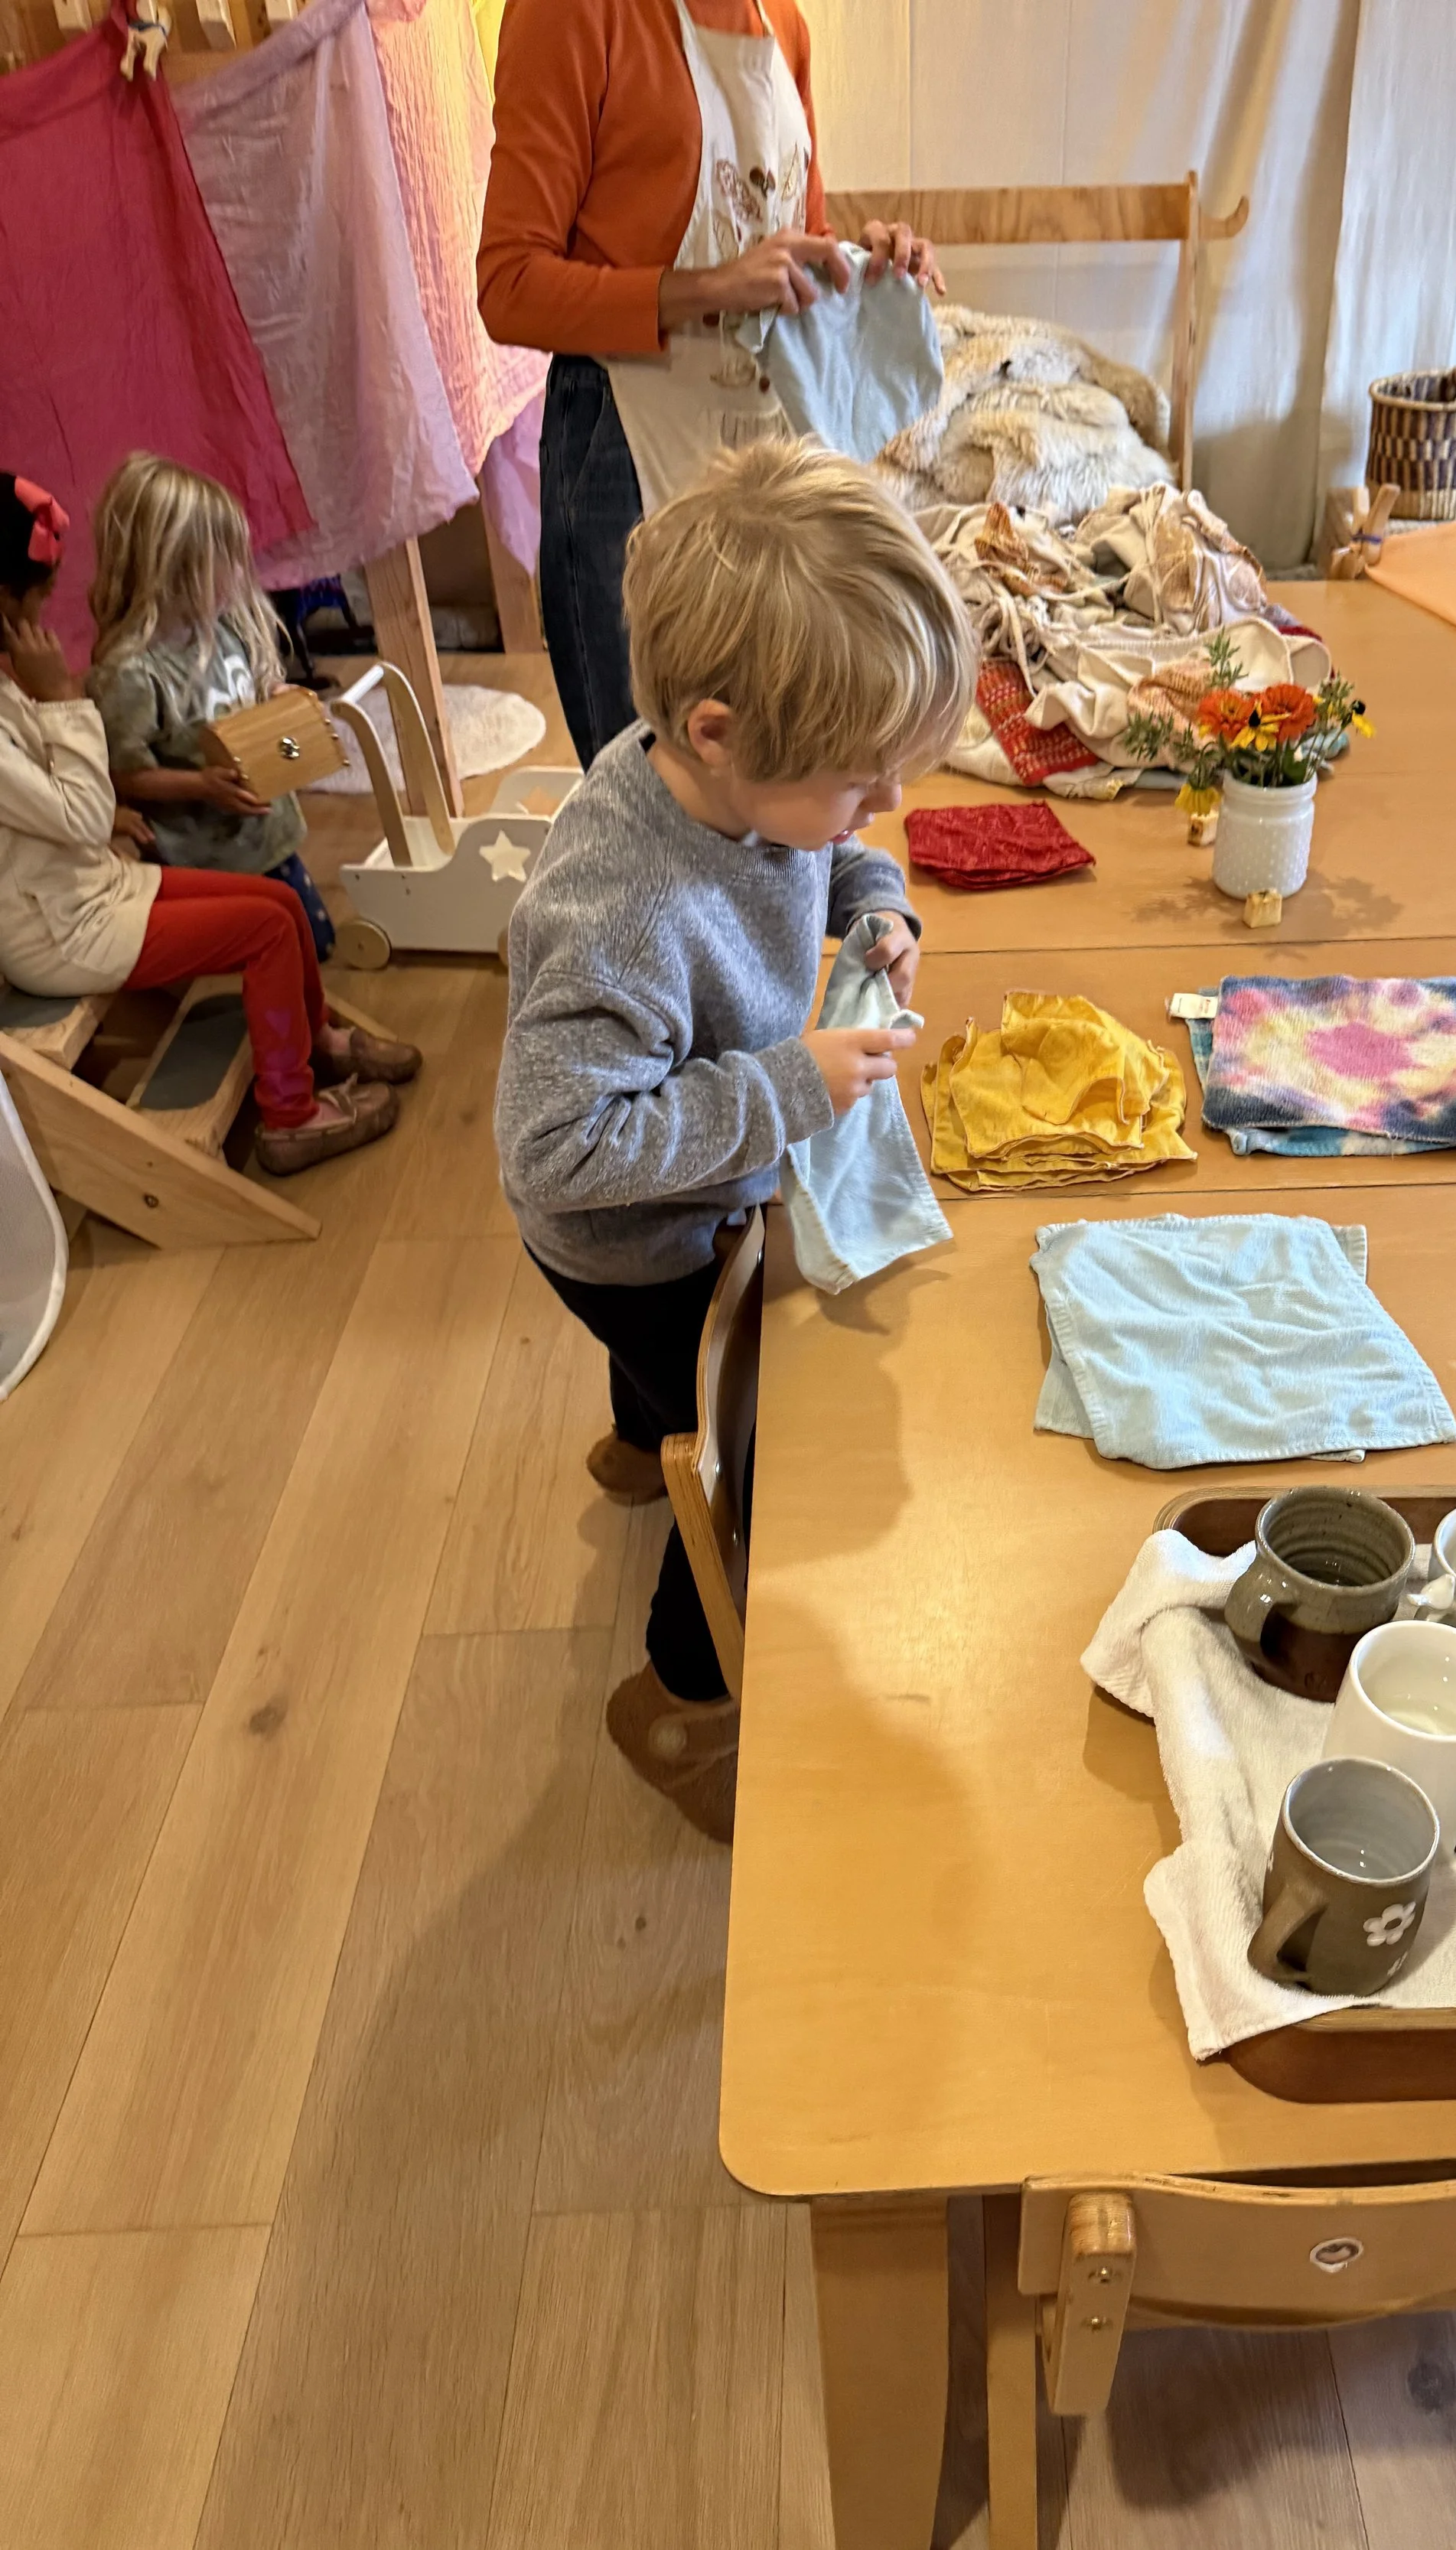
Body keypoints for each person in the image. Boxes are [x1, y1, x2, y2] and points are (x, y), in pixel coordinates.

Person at [493, 439, 974, 1836]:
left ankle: (641, 1428)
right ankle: (679, 1685)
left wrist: (870, 890)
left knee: (672, 1384)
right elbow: (558, 1147)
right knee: (755, 1440)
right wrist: (783, 1089)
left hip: (680, 1189)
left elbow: (813, 840)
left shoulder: (747, 777)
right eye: (858, 782)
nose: (876, 807)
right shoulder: (625, 905)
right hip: (621, 1233)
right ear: (715, 732)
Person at [477, 0, 943, 770]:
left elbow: (798, 238)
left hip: (760, 457)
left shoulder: (782, 24)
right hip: (623, 447)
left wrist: (861, 266)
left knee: (771, 774)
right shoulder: (569, 13)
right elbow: (509, 285)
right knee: (648, 791)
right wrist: (708, 287)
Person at [0, 474, 417, 1176]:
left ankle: (316, 1040)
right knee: (265, 932)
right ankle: (292, 1116)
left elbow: (76, 804)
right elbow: (86, 807)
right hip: (62, 926)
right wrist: (63, 700)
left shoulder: (30, 675)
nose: (46, 622)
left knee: (282, 906)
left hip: (92, 887)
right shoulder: (93, 678)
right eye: (36, 602)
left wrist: (288, 728)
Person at [86, 452, 337, 959]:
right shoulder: (131, 672)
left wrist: (279, 701)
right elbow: (124, 774)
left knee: (315, 944)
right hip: (206, 852)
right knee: (259, 950)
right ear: (174, 570)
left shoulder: (220, 628)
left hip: (264, 829)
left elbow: (251, 690)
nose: (238, 576)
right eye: (223, 563)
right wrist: (200, 785)